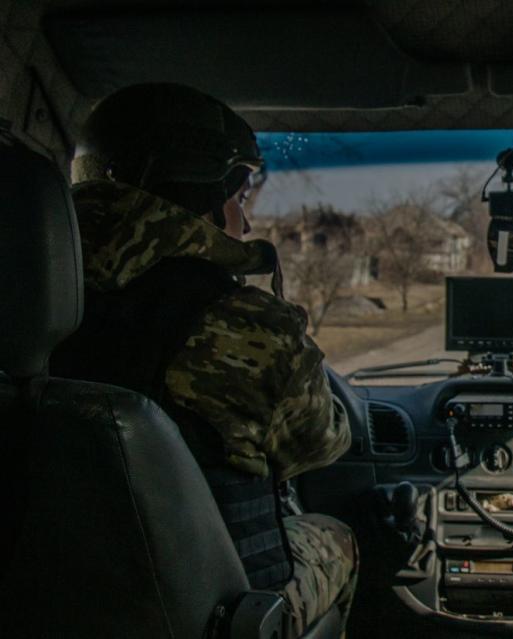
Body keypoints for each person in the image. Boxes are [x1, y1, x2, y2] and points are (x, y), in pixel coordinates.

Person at [49, 83, 356, 636]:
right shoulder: (244, 322)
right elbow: (323, 442)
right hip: (200, 611)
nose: (247, 222)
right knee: (337, 537)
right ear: (205, 196)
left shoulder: (29, 294)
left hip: (45, 595)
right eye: (240, 199)